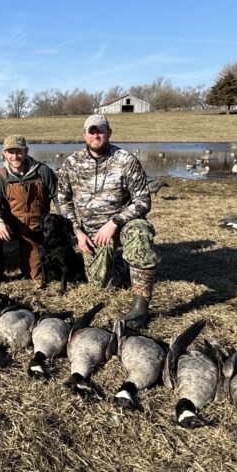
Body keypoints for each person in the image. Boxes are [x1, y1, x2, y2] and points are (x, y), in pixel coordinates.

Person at [57, 114, 157, 329]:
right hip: (90, 234)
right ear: (84, 135)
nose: (96, 135)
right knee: (100, 284)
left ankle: (141, 307)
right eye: (91, 131)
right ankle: (122, 264)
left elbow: (143, 201)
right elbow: (63, 202)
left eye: (100, 130)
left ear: (109, 133)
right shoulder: (71, 163)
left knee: (140, 231)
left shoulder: (125, 160)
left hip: (121, 226)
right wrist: (77, 231)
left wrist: (114, 222)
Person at [0, 135, 58, 288]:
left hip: (35, 228)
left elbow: (59, 197)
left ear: (26, 151)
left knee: (35, 277)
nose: (14, 156)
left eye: (19, 151)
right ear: (4, 153)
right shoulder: (1, 176)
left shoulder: (43, 172)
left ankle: (31, 260)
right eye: (10, 152)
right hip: (12, 225)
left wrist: (64, 225)